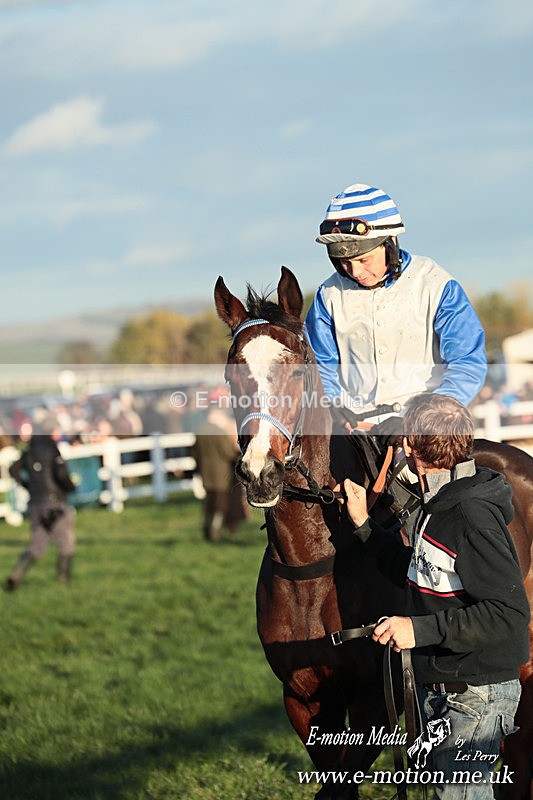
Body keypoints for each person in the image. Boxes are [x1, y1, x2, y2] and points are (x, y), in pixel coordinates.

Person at [339, 393, 530, 797]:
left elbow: (509, 614)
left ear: (410, 445)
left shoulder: (470, 516)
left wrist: (417, 630)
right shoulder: (439, 504)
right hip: (446, 685)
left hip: (475, 693)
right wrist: (363, 524)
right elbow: (417, 571)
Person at [304, 183, 487, 432]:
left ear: (390, 242)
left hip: (426, 426)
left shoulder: (436, 283)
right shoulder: (327, 296)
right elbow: (320, 367)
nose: (355, 272)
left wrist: (425, 418)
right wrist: (333, 407)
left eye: (363, 259)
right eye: (343, 262)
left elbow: (467, 362)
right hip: (356, 428)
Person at [5, 422, 77, 590]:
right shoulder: (52, 448)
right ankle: (63, 581)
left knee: (37, 544)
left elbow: (13, 470)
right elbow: (60, 473)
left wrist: (27, 485)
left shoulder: (29, 450)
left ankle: (16, 574)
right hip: (55, 503)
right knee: (66, 542)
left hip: (35, 503)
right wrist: (70, 487)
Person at [192, 392, 248, 542]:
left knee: (209, 502)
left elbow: (195, 453)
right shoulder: (219, 432)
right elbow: (227, 453)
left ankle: (206, 528)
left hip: (205, 473)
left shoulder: (199, 430)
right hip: (221, 475)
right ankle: (214, 532)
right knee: (220, 505)